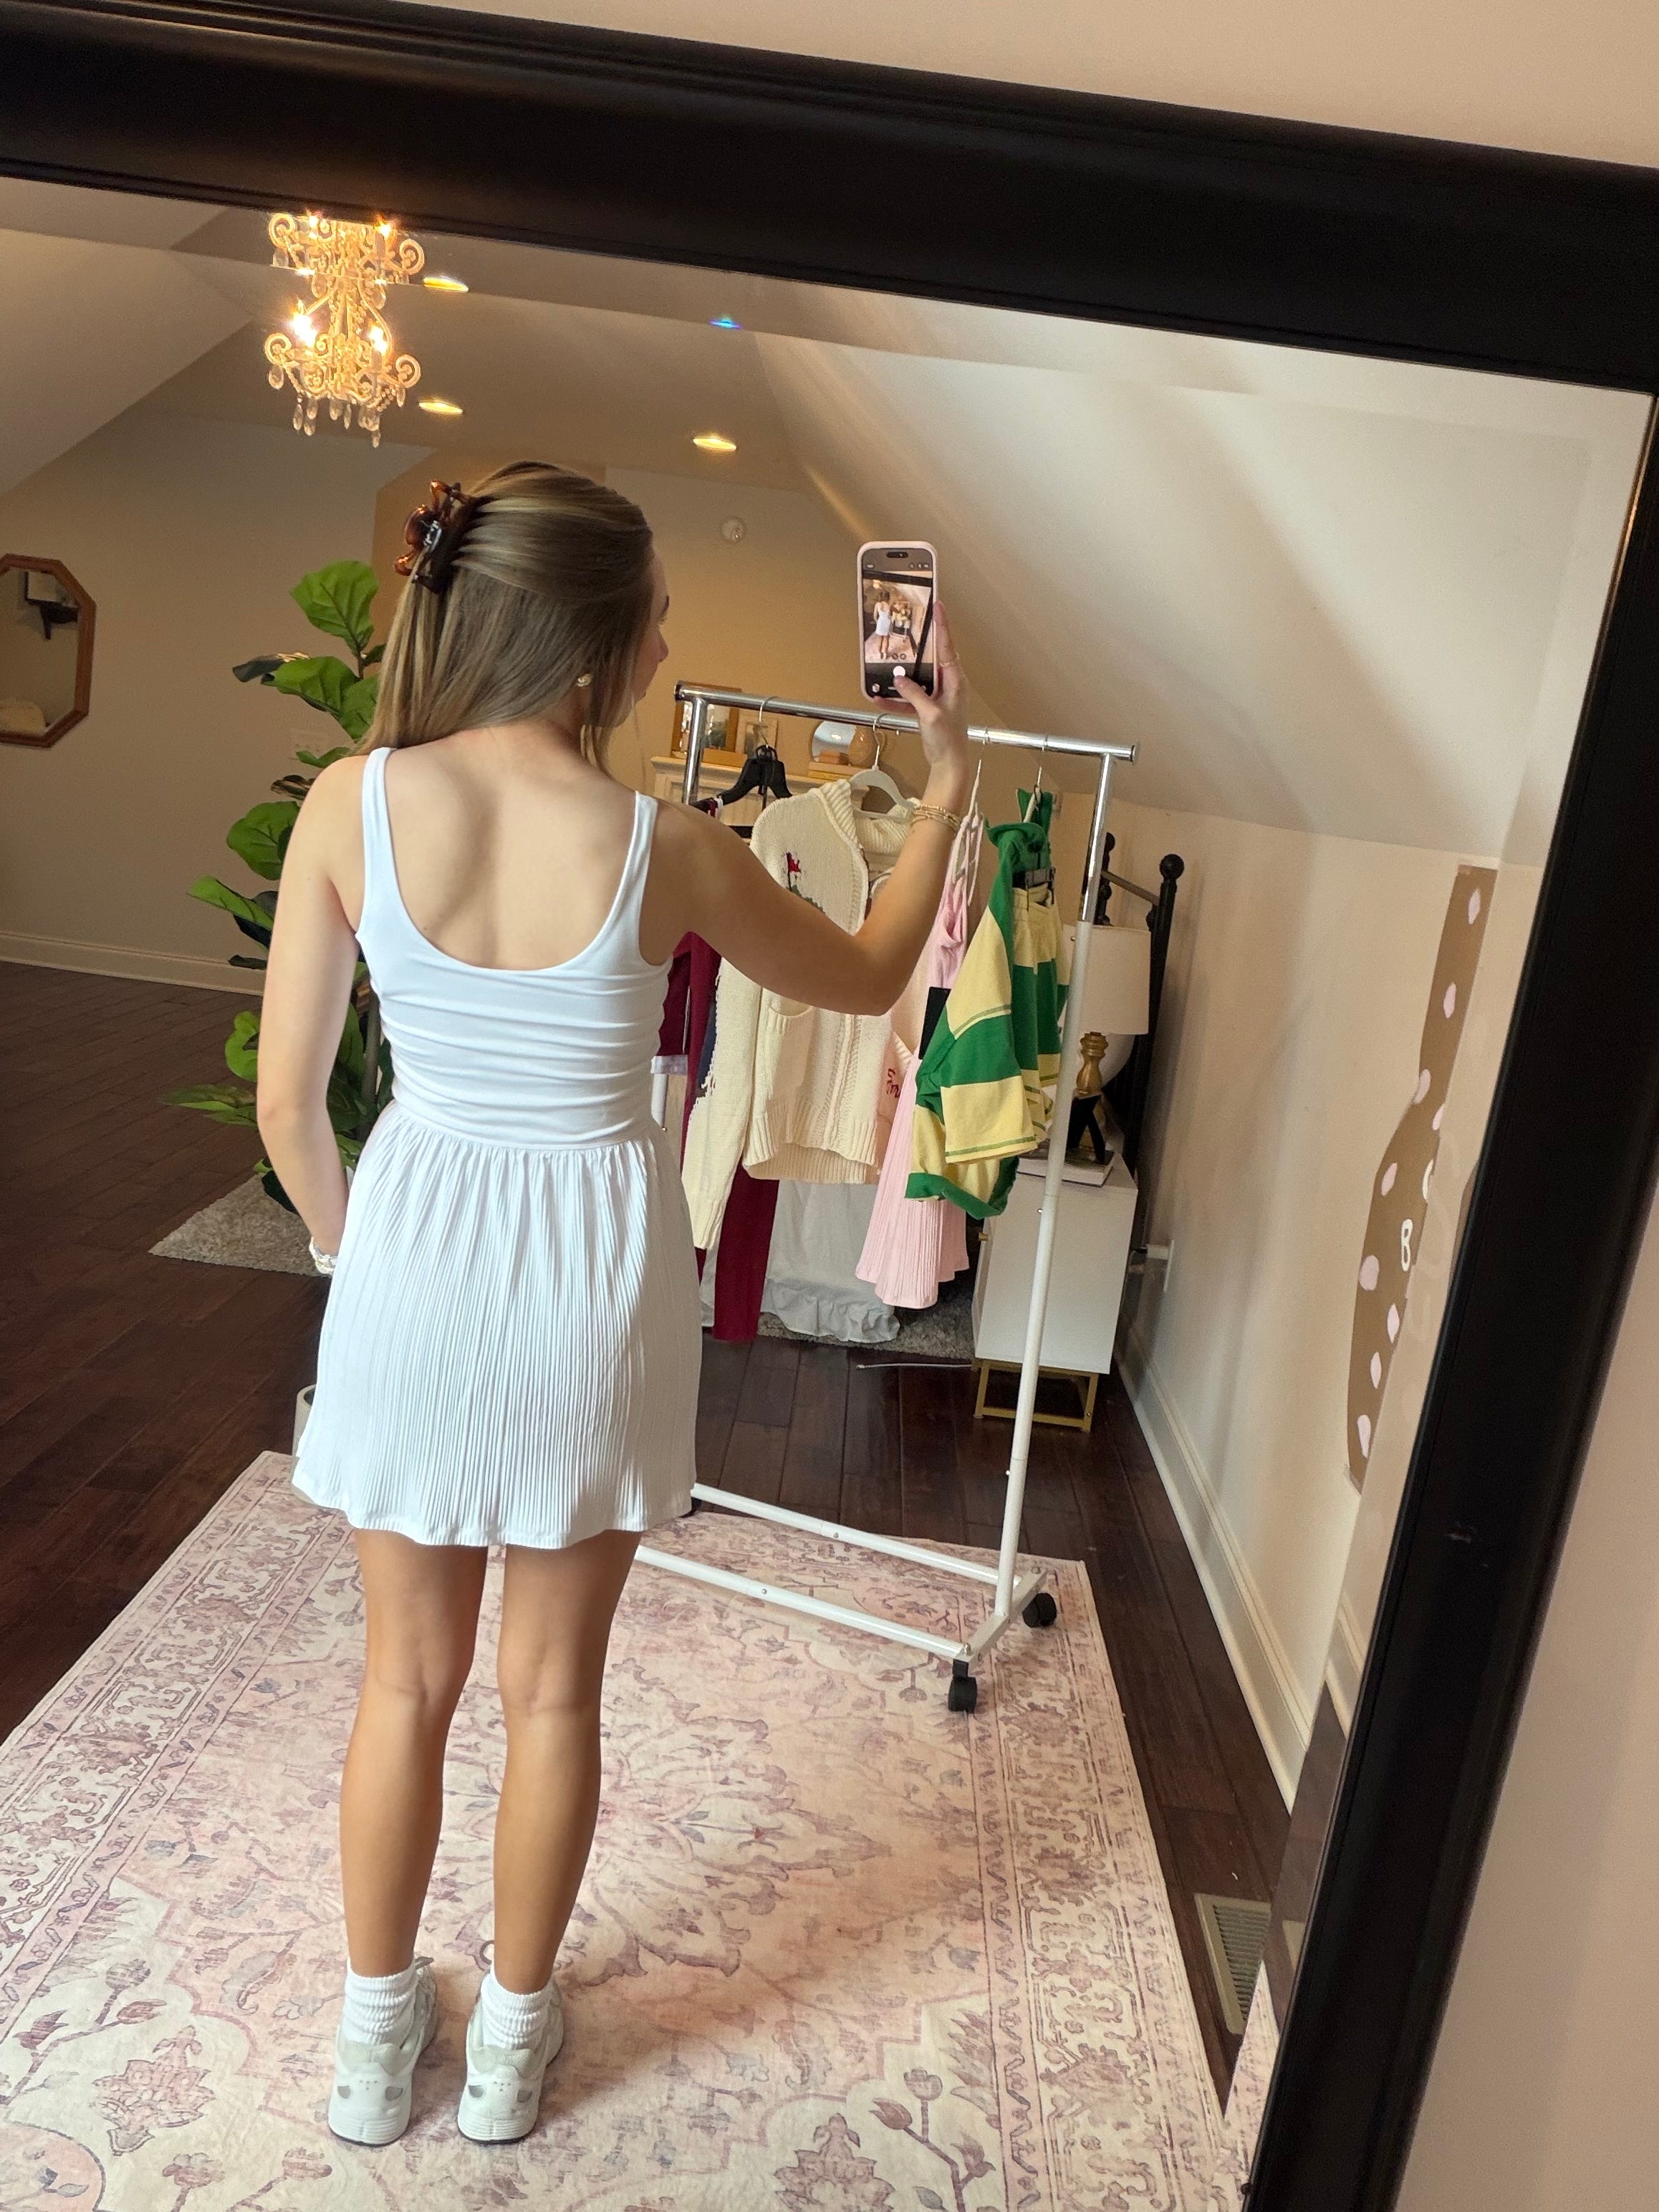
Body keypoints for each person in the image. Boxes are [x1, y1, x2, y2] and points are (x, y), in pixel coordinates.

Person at [255, 462, 971, 2148]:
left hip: (417, 1257)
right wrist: (942, 788)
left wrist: (361, 1261)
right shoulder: (671, 846)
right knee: (555, 1691)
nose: (663, 650)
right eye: (654, 622)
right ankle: (509, 2050)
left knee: (401, 1684)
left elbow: (290, 1108)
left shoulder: (351, 802)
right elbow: (872, 973)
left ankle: (373, 2051)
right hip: (592, 1274)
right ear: (592, 642)